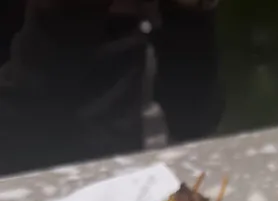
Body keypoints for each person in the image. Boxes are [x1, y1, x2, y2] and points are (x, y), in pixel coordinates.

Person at [0, 0, 223, 177]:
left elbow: (194, 122)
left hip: (136, 179)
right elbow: (18, 143)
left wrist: (189, 14)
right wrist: (65, 16)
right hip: (37, 189)